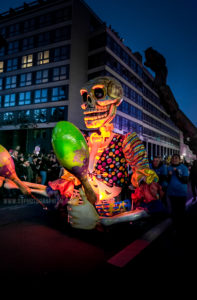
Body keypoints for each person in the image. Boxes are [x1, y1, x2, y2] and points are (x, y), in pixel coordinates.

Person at [167, 153, 189, 235]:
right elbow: (168, 180)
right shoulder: (169, 168)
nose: (174, 160)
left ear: (179, 160)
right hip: (171, 193)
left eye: (176, 158)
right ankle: (175, 227)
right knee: (174, 211)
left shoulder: (184, 168)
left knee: (181, 212)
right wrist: (169, 176)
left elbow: (185, 180)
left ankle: (181, 228)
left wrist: (177, 173)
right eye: (173, 158)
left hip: (181, 193)